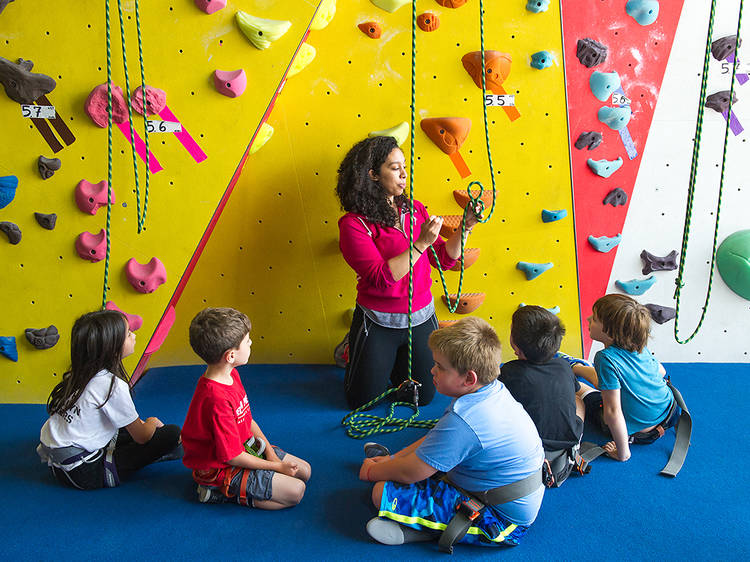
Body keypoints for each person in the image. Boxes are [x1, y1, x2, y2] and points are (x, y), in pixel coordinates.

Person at [358, 317, 544, 549]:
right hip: (490, 489)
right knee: (400, 474)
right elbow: (437, 438)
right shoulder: (491, 390)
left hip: (501, 520)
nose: (432, 370)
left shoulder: (465, 419)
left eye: (440, 367)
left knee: (380, 492)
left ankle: (422, 531)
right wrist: (393, 459)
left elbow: (411, 473)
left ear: (469, 378)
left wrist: (373, 471)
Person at [336, 135, 480, 409]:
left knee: (423, 398)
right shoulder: (354, 224)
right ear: (372, 175)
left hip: (421, 317)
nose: (404, 174)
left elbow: (443, 259)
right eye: (394, 167)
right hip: (378, 321)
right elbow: (380, 278)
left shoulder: (414, 209)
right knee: (361, 402)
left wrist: (466, 226)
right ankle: (361, 350)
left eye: (404, 166)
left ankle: (389, 364)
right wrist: (421, 243)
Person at [37, 310, 182, 490]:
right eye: (129, 334)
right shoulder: (112, 385)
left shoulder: (80, 373)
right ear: (112, 348)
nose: (134, 336)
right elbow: (143, 437)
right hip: (84, 472)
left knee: (124, 428)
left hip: (59, 460)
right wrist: (151, 424)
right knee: (172, 433)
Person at [181, 307, 311, 508]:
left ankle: (257, 478)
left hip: (243, 448)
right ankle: (218, 492)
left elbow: (247, 420)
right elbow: (232, 457)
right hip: (221, 468)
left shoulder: (231, 375)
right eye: (247, 341)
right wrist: (276, 466)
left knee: (305, 472)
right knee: (295, 493)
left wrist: (271, 454)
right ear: (230, 356)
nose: (251, 343)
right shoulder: (215, 398)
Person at [578, 294, 677, 462]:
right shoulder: (637, 343)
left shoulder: (605, 357)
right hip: (669, 413)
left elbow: (612, 412)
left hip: (641, 433)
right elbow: (660, 372)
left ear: (609, 331)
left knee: (577, 388)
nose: (588, 319)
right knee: (599, 380)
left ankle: (576, 370)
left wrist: (623, 453)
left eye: (594, 319)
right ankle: (578, 367)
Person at [498, 306, 584, 486]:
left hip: (528, 446)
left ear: (516, 346)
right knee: (577, 398)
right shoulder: (564, 366)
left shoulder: (509, 371)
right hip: (569, 439)